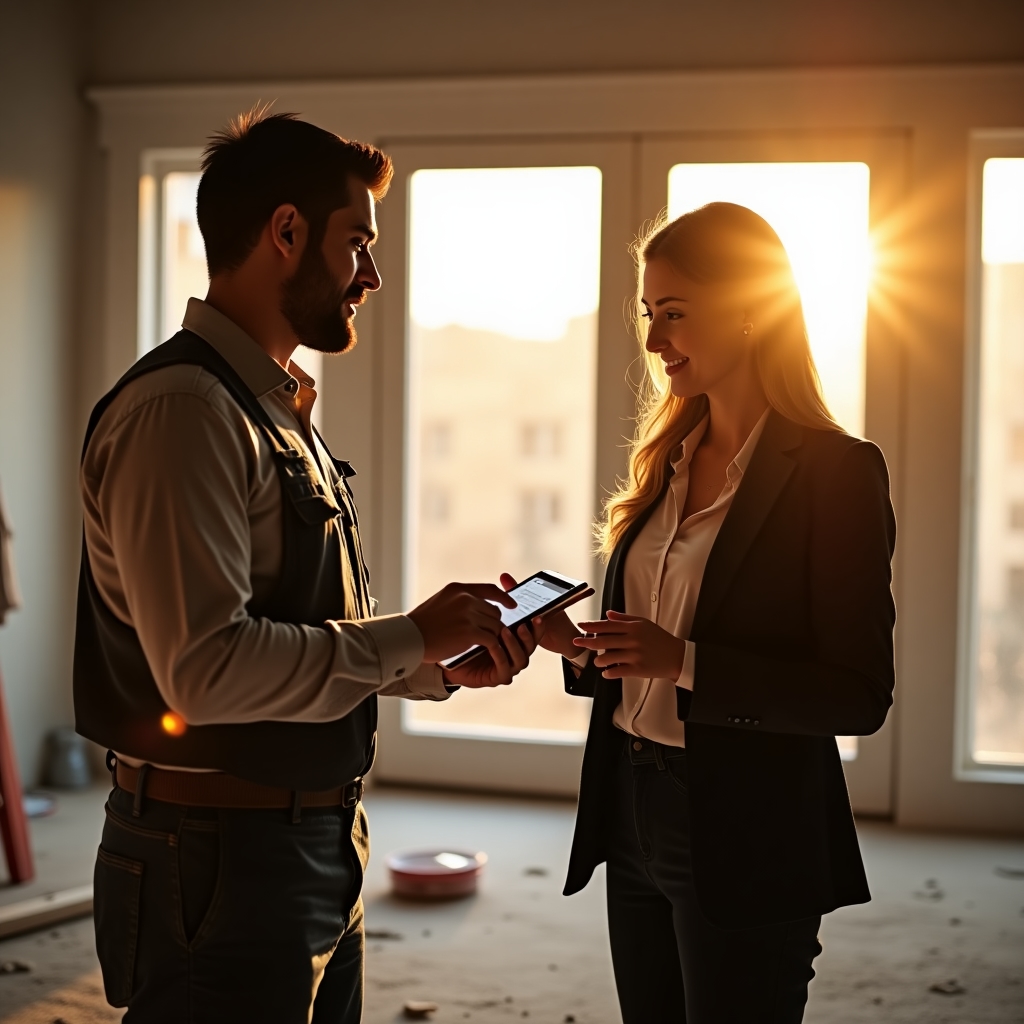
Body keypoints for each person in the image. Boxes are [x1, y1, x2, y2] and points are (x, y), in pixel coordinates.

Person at [75, 109, 536, 1023]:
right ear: (286, 232)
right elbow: (205, 671)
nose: (372, 274)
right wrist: (408, 634)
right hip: (219, 855)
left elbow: (293, 625)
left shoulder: (271, 411)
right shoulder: (185, 412)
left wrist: (432, 664)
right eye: (357, 242)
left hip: (305, 842)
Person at [523, 202, 896, 1023]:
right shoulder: (665, 463)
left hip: (747, 826)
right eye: (649, 314)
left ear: (751, 310)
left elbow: (858, 694)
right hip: (633, 803)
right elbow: (647, 653)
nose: (655, 340)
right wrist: (580, 648)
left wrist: (681, 661)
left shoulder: (837, 473)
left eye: (675, 313)